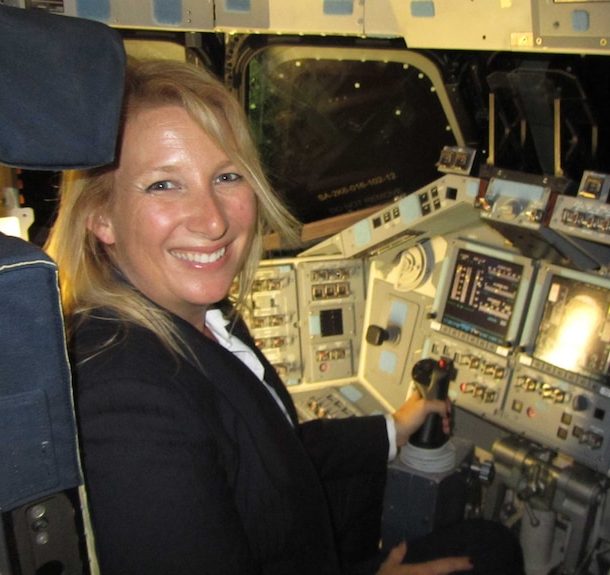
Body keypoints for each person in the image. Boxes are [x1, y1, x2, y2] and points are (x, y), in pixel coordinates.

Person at [45, 58, 523, 574]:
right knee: (491, 551)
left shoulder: (201, 316)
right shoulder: (125, 399)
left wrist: (392, 427)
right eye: (164, 184)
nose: (213, 221)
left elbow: (268, 450)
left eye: (227, 176)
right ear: (99, 216)